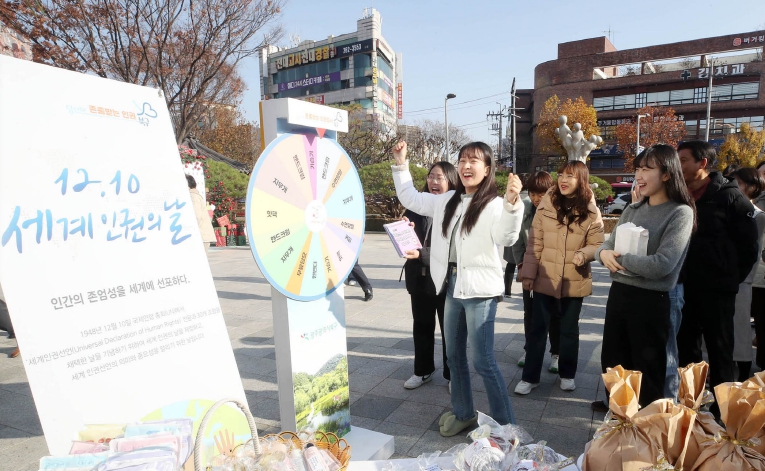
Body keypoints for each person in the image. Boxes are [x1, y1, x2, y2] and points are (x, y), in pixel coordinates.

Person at [391, 140, 524, 436]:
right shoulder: (447, 200)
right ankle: (463, 413)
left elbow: (507, 237)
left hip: (480, 292)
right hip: (451, 286)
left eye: (474, 160)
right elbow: (410, 197)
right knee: (454, 356)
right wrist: (401, 163)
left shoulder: (494, 204)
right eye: (462, 159)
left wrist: (513, 204)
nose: (466, 165)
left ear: (487, 169)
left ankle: (506, 426)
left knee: (483, 361)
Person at [595, 145, 695, 408]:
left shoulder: (680, 213)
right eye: (638, 168)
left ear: (666, 174)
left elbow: (662, 265)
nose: (639, 175)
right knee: (614, 366)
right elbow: (607, 246)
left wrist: (620, 260)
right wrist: (602, 254)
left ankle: (648, 429)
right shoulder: (633, 209)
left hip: (652, 301)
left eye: (647, 169)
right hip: (619, 296)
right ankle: (619, 422)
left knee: (648, 374)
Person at [676, 141, 759, 419]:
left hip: (718, 291)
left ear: (702, 163)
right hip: (684, 287)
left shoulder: (730, 197)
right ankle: (690, 405)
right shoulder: (679, 194)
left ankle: (724, 413)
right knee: (687, 349)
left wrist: (729, 279)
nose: (678, 165)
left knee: (720, 349)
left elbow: (749, 247)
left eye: (683, 160)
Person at [515, 161, 604, 395]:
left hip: (574, 278)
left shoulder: (590, 209)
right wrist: (528, 274)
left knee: (568, 330)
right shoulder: (546, 205)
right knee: (537, 329)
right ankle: (529, 377)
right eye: (561, 175)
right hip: (544, 277)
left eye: (570, 176)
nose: (563, 180)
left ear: (581, 180)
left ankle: (567, 374)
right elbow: (535, 243)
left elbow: (597, 243)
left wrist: (583, 254)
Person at [401, 161, 459, 390]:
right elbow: (409, 240)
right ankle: (422, 370)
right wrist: (403, 229)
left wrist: (421, 254)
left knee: (449, 330)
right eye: (431, 176)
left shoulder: (456, 209)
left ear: (451, 181)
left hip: (445, 280)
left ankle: (453, 375)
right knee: (422, 326)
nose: (433, 181)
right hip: (419, 278)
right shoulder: (417, 205)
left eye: (439, 177)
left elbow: (453, 248)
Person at [511, 172, 558, 371]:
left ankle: (556, 353)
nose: (536, 198)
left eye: (541, 194)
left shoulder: (559, 211)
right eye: (532, 194)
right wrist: (522, 265)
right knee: (530, 312)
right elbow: (517, 242)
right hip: (530, 271)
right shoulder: (525, 210)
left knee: (555, 314)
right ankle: (529, 349)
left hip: (553, 273)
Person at [729, 168, 765, 381]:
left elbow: (751, 253)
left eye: (738, 184)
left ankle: (743, 375)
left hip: (744, 280)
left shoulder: (758, 216)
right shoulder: (731, 211)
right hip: (728, 279)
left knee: (740, 330)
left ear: (752, 187)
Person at [186, 175, 216, 255]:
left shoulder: (193, 197)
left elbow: (197, 217)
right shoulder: (193, 196)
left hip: (200, 236)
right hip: (200, 236)